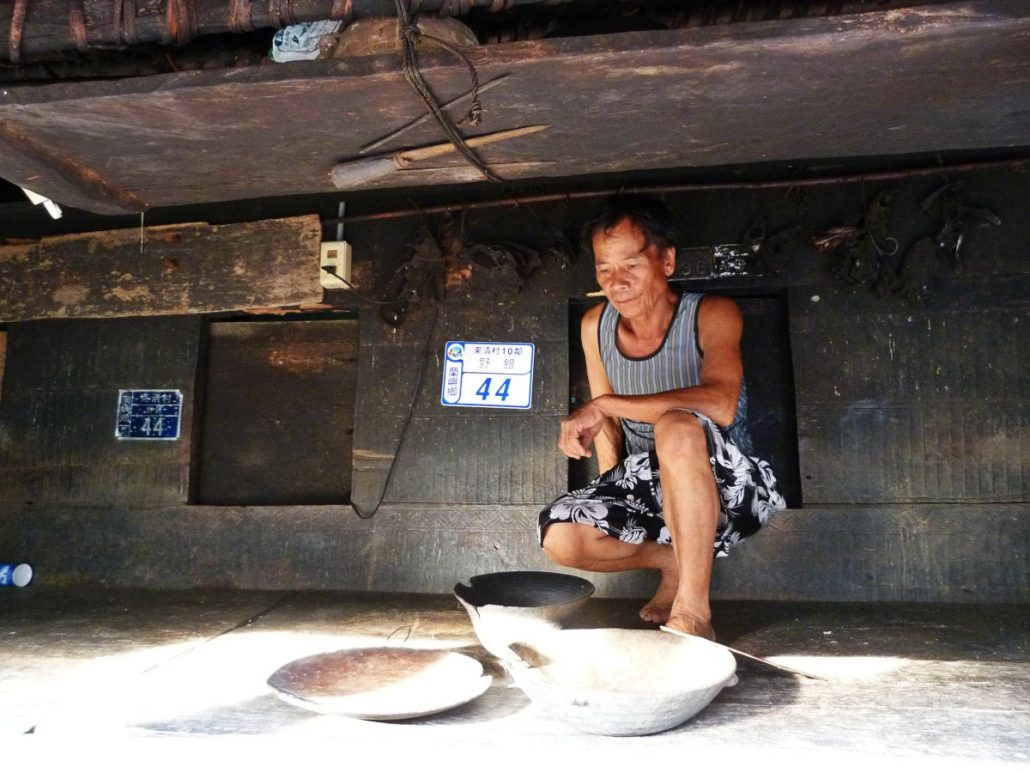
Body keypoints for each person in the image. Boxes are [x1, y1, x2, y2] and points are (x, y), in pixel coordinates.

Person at [538, 194, 785, 640]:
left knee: (675, 425)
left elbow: (720, 403)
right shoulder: (595, 324)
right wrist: (614, 487)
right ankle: (671, 562)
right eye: (604, 269)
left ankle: (693, 610)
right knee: (561, 538)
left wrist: (607, 404)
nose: (617, 282)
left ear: (666, 260)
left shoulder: (712, 314)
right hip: (651, 483)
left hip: (730, 486)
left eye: (631, 265)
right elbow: (608, 427)